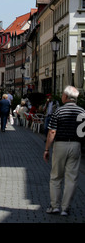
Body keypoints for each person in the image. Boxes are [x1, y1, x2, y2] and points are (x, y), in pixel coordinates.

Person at [44, 86, 85, 216]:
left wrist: (47, 149)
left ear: (66, 97)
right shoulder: (82, 112)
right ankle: (65, 208)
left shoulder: (59, 111)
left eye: (62, 94)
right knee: (71, 178)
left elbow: (52, 131)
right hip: (76, 145)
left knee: (56, 176)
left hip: (60, 144)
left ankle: (55, 206)